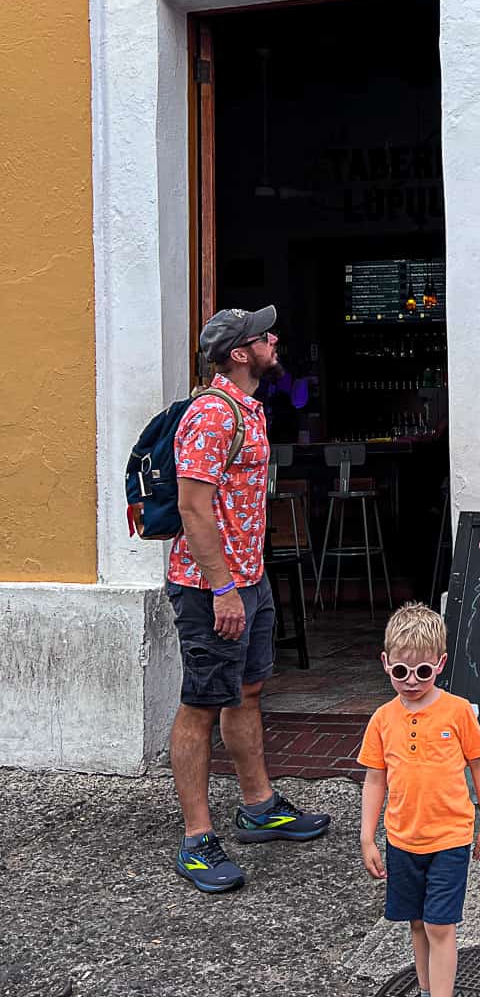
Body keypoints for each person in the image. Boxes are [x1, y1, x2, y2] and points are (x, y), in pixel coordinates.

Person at [168, 305, 330, 894]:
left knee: (249, 690)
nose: (274, 340)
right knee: (202, 702)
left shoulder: (248, 410)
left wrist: (246, 582)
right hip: (214, 586)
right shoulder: (212, 415)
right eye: (265, 337)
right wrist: (222, 588)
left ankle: (258, 806)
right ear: (241, 353)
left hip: (249, 579)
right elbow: (192, 507)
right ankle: (196, 839)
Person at [358, 603, 480, 997]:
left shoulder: (457, 712)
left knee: (440, 925)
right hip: (402, 840)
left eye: (422, 669)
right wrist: (368, 836)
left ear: (439, 663)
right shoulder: (382, 719)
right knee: (417, 924)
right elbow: (375, 779)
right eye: (401, 670)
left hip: (450, 839)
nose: (412, 679)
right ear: (386, 665)